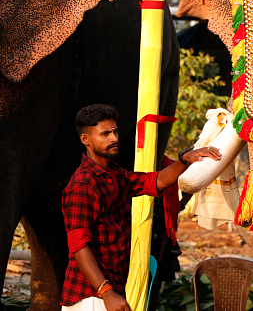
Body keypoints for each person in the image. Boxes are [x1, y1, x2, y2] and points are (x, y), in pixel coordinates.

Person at [60, 104, 221, 311]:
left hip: (110, 289)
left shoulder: (114, 174)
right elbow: (79, 245)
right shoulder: (83, 184)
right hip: (90, 295)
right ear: (86, 140)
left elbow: (155, 181)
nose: (114, 138)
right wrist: (106, 292)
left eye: (115, 131)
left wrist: (185, 159)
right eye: (105, 134)